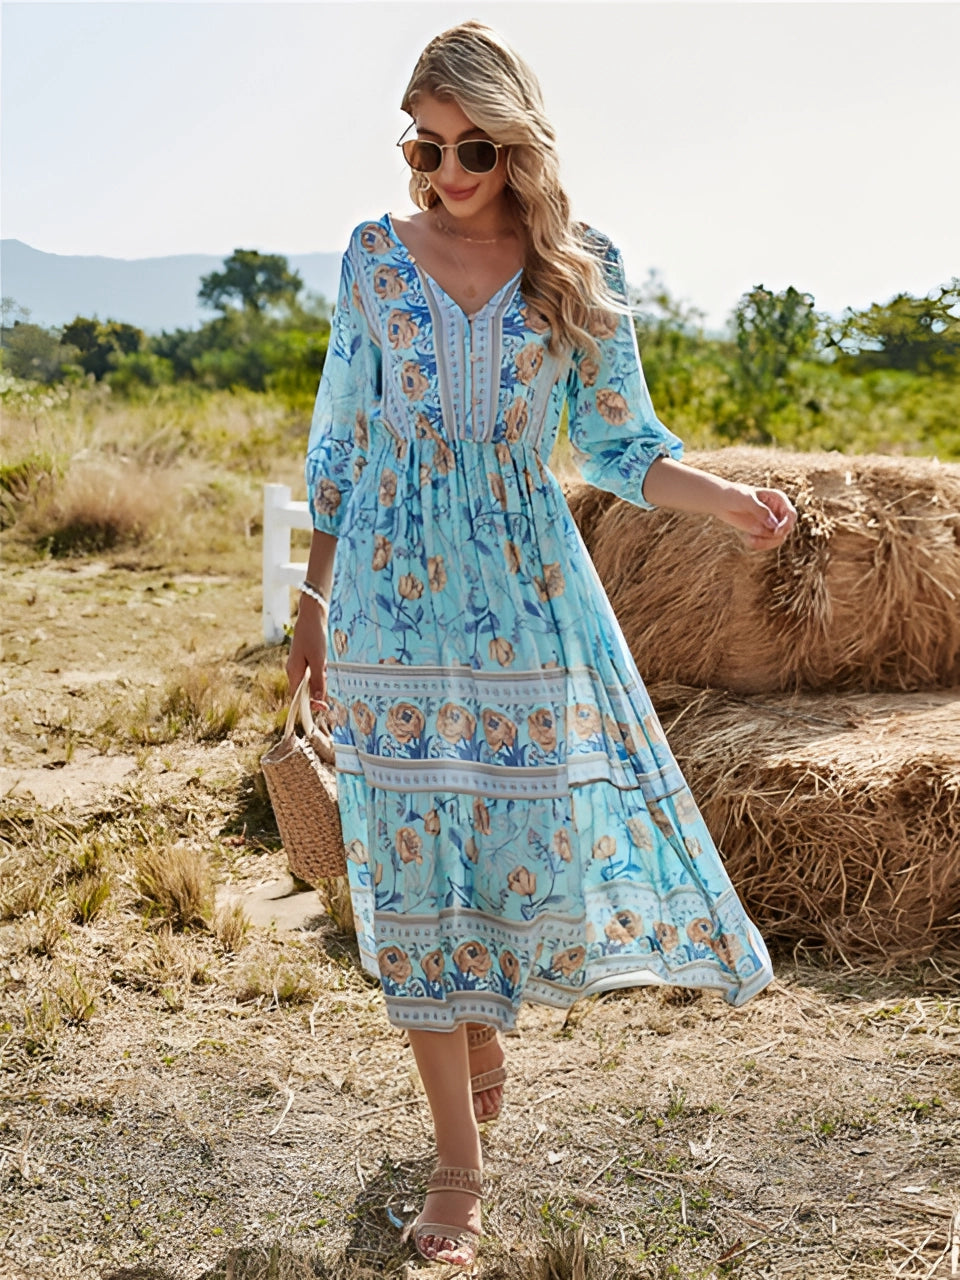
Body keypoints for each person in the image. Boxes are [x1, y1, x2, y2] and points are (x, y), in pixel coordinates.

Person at [286, 19, 797, 1269]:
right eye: (422, 145)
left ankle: (479, 1024)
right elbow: (343, 445)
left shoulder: (579, 264)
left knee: (510, 840)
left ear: (515, 144)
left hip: (524, 591)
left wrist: (725, 500)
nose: (443, 171)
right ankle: (458, 1164)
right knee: (411, 863)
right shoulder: (374, 257)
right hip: (390, 603)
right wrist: (310, 605)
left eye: (468, 147)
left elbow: (624, 447)